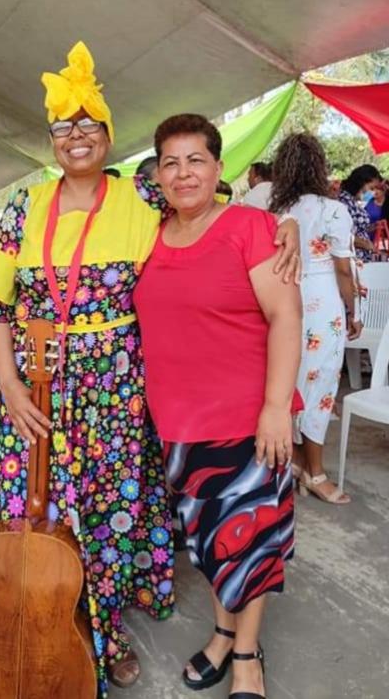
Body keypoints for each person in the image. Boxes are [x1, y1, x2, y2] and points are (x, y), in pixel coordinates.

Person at [0, 43, 300, 698]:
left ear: (110, 136)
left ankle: (106, 635)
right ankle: (38, 632)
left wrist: (280, 224)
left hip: (116, 398)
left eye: (89, 126)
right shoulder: (24, 208)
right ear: (51, 141)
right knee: (37, 521)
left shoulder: (142, 194)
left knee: (109, 516)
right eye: (63, 128)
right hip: (34, 396)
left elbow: (206, 206)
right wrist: (6, 381)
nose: (77, 137)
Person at [134, 114, 303, 699]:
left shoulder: (251, 227)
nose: (184, 173)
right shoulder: (149, 234)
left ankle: (248, 656)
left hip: (248, 419)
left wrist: (277, 406)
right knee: (210, 542)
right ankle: (223, 633)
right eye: (171, 162)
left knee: (250, 544)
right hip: (179, 425)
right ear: (157, 173)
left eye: (196, 160)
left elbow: (287, 315)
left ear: (219, 167)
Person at [270, 133, 362, 504]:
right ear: (319, 166)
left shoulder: (273, 210)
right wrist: (354, 310)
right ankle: (315, 472)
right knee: (321, 387)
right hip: (322, 302)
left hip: (282, 297)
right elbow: (343, 270)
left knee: (287, 382)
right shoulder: (333, 209)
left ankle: (291, 462)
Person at [339, 164, 382, 261]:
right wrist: (365, 244)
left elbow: (356, 229)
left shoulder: (353, 201)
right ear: (361, 183)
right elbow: (341, 235)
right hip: (352, 260)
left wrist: (372, 227)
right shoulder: (343, 202)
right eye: (371, 188)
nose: (373, 192)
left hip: (361, 259)